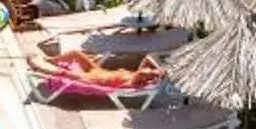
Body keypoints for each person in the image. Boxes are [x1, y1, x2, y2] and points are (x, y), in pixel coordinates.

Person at [25, 47, 162, 90]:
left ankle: (37, 68)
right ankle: (51, 60)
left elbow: (144, 72)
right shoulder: (136, 74)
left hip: (92, 80)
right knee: (75, 54)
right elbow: (148, 58)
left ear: (145, 78)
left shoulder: (131, 83)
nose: (146, 70)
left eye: (148, 73)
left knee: (64, 73)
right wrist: (159, 70)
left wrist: (153, 74)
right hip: (98, 70)